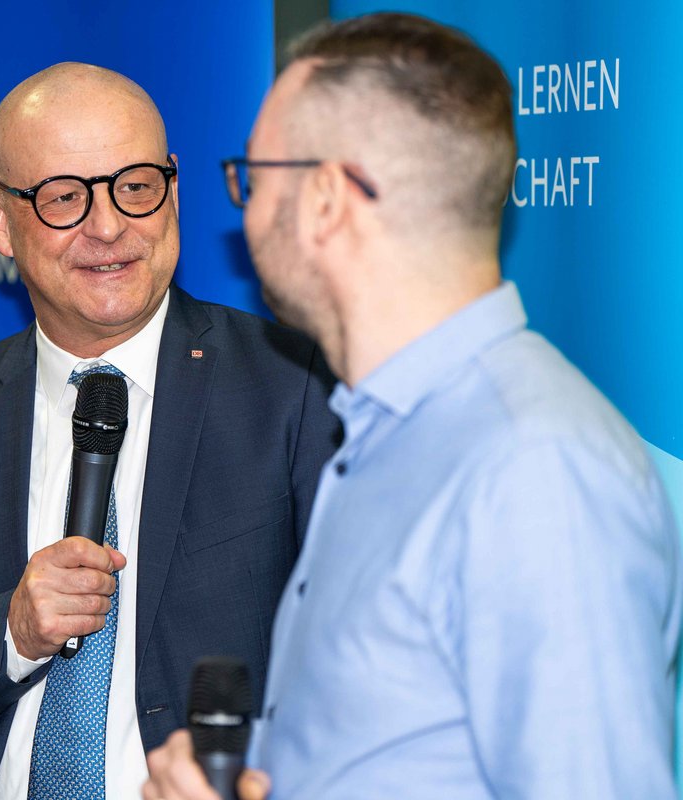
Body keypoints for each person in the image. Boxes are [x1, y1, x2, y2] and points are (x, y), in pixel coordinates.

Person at [143, 12, 683, 800]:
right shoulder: (381, 434)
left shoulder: (536, 469)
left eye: (252, 180)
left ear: (326, 199)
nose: (244, 215)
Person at [0, 62, 341, 799]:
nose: (108, 227)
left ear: (173, 186)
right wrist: (9, 633)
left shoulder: (292, 386)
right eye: (64, 198)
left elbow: (361, 660)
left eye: (135, 186)